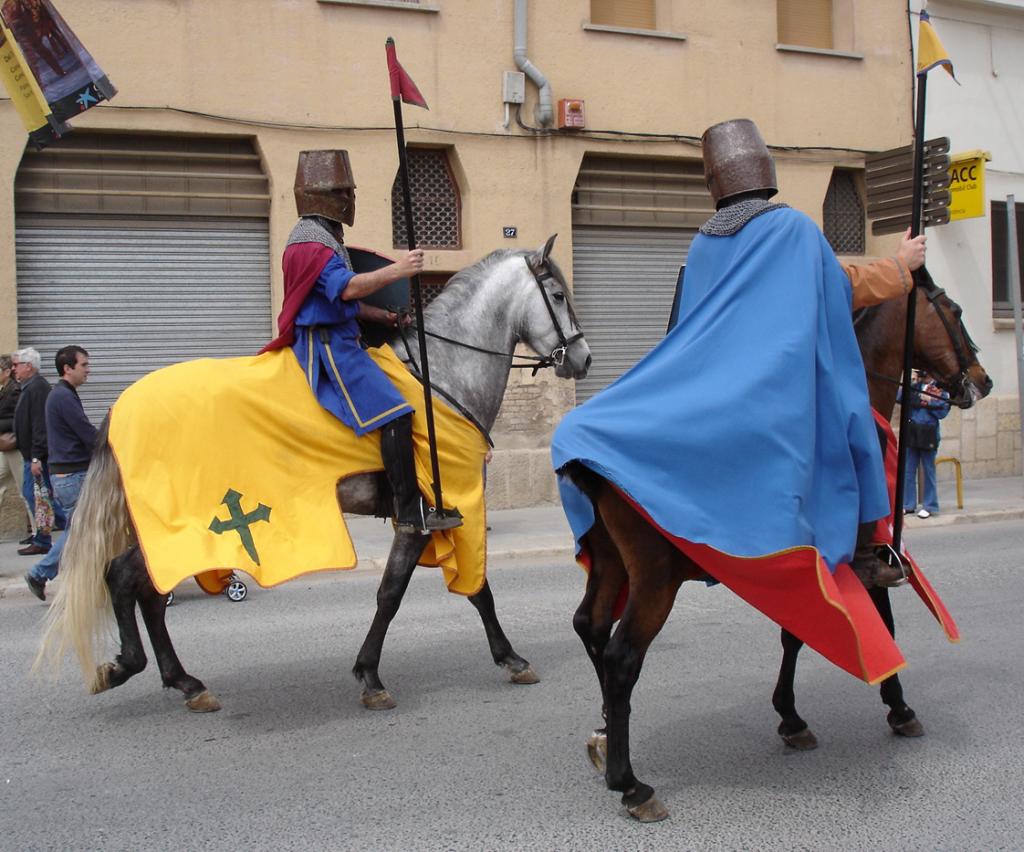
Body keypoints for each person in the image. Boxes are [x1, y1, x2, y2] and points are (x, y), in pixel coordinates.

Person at [553, 117, 901, 591]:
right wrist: (901, 269)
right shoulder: (796, 229)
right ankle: (862, 554)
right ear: (766, 167)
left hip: (716, 391)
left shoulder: (705, 242)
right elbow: (837, 289)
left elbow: (689, 325)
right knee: (860, 426)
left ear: (712, 179)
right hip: (783, 390)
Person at [261, 149, 460, 533]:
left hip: (343, 332)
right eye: (343, 193)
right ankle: (409, 512)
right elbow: (346, 288)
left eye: (349, 192)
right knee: (397, 415)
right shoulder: (310, 243)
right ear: (324, 196)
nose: (349, 200)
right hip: (330, 347)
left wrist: (382, 316)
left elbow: (336, 299)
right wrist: (398, 270)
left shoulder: (324, 235)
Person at [24, 345, 97, 600]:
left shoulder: (64, 394)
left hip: (70, 474)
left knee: (81, 530)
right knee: (80, 531)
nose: (88, 370)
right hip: (72, 476)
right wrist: (111, 445)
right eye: (84, 365)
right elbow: (85, 432)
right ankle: (40, 573)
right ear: (68, 368)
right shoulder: (63, 396)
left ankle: (86, 581)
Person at [12, 346, 66, 556]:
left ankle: (52, 535)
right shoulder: (29, 386)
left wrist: (36, 456)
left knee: (39, 497)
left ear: (29, 366)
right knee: (40, 497)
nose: (14, 369)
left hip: (37, 457)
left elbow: (39, 425)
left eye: (17, 365)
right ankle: (46, 536)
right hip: (31, 455)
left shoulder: (37, 388)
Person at [900, 370, 950, 519]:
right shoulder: (915, 386)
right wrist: (908, 384)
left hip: (928, 432)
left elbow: (942, 411)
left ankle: (930, 505)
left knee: (928, 470)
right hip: (913, 430)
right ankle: (908, 504)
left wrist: (929, 401)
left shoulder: (939, 389)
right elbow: (900, 398)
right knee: (908, 469)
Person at [0, 355, 34, 540]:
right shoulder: (4, 389)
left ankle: (38, 533)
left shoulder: (14, 390)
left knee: (25, 491)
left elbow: (17, 419)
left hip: (14, 446)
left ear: (6, 372)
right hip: (5, 448)